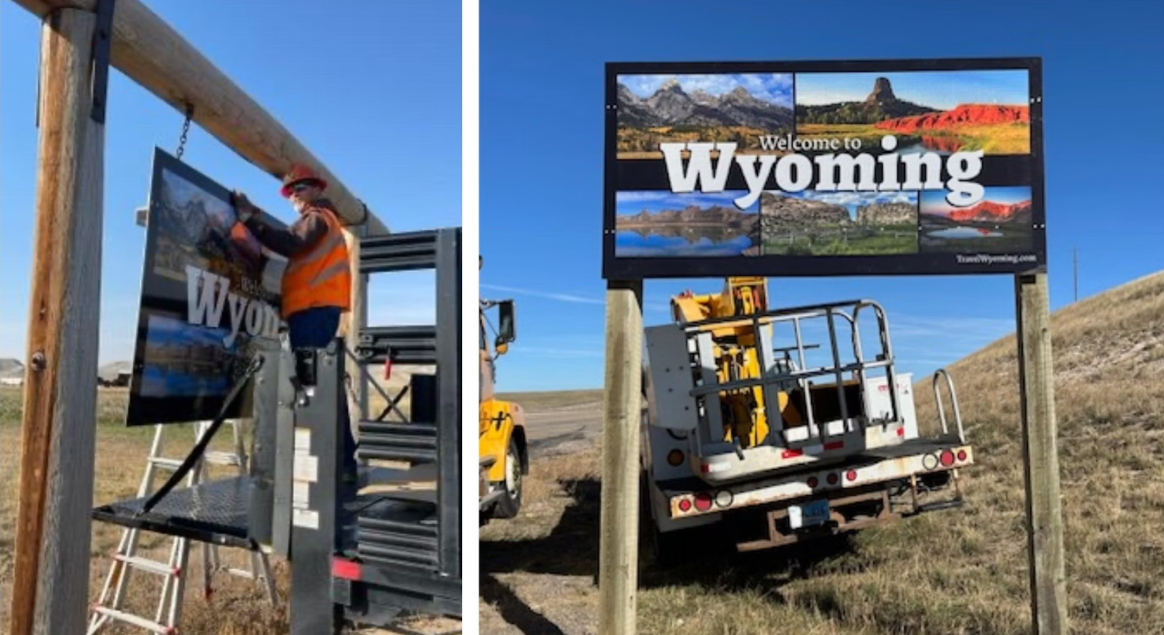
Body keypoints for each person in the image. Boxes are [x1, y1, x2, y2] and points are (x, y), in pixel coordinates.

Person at [230, 164, 359, 493]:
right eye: (290, 192)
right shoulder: (318, 222)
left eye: (300, 188)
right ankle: (342, 467)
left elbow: (289, 242)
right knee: (320, 386)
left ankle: (333, 467)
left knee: (313, 389)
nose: (294, 196)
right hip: (313, 311)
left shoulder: (318, 218)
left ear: (317, 189)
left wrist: (249, 217)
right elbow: (289, 245)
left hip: (314, 311)